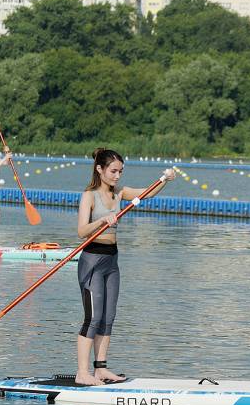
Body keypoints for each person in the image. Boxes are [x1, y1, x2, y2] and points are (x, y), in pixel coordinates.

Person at [75, 148, 175, 386]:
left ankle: (100, 369)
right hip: (92, 261)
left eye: (120, 171)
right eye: (113, 171)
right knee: (93, 317)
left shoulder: (120, 193)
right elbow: (81, 232)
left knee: (108, 316)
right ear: (100, 169)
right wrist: (101, 220)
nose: (118, 176)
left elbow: (146, 194)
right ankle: (82, 373)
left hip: (112, 260)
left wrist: (164, 180)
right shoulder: (89, 196)